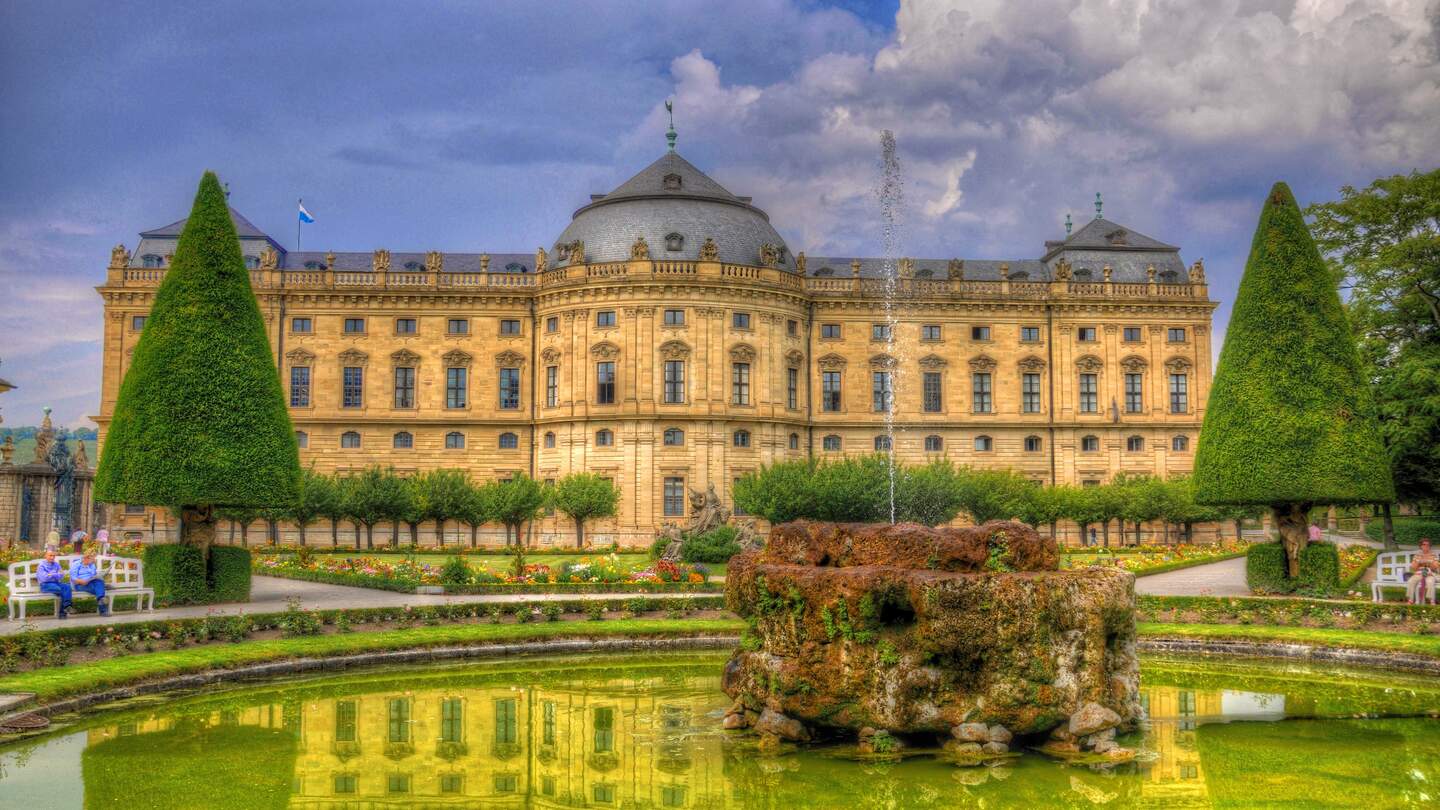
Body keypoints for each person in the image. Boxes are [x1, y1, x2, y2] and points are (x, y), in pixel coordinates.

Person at [36, 548, 73, 619]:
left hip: (56, 583)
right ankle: (64, 611)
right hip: (45, 585)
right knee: (60, 589)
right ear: (45, 556)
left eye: (53, 556)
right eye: (50, 555)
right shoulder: (41, 566)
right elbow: (44, 578)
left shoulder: (56, 564)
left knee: (67, 587)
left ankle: (65, 610)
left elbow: (61, 575)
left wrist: (51, 574)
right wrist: (56, 574)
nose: (52, 557)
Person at [70, 550, 108, 616]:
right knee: (99, 589)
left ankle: (101, 598)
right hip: (79, 584)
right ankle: (103, 610)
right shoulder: (76, 564)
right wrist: (82, 581)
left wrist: (98, 575)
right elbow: (74, 579)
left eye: (94, 558)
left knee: (99, 581)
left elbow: (93, 575)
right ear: (86, 557)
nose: (94, 560)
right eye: (92, 558)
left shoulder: (92, 564)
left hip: (90, 582)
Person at [1407, 538, 1437, 606]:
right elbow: (1413, 567)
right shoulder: (1417, 555)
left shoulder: (1433, 555)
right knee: (1411, 581)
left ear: (1430, 546)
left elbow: (1435, 567)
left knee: (1430, 582)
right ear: (1421, 546)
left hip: (1430, 573)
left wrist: (1430, 562)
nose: (1426, 546)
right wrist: (1419, 561)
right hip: (1419, 573)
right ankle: (1411, 599)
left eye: (1428, 545)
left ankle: (1431, 600)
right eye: (1424, 544)